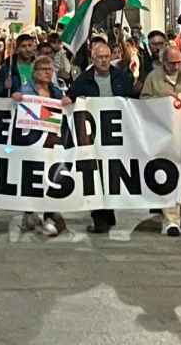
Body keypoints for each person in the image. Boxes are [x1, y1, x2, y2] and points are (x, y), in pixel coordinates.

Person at [67, 40, 137, 233]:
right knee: (95, 176)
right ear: (93, 58)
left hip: (116, 136)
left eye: (107, 57)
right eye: (100, 57)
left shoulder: (122, 77)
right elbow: (71, 97)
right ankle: (99, 218)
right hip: (93, 138)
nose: (104, 60)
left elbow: (133, 101)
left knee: (112, 174)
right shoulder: (83, 80)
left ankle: (109, 211)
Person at [140, 46, 181, 236]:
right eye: (171, 63)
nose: (176, 66)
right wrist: (161, 99)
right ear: (163, 62)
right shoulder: (153, 78)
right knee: (168, 176)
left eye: (179, 62)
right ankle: (170, 219)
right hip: (164, 136)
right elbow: (143, 103)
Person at [11, 56, 73, 237]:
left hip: (52, 143)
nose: (48, 72)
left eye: (50, 69)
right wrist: (15, 98)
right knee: (32, 177)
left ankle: (49, 215)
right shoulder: (25, 90)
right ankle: (30, 213)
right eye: (44, 69)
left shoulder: (55, 91)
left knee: (50, 178)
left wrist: (66, 101)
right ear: (35, 72)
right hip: (31, 143)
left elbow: (63, 112)